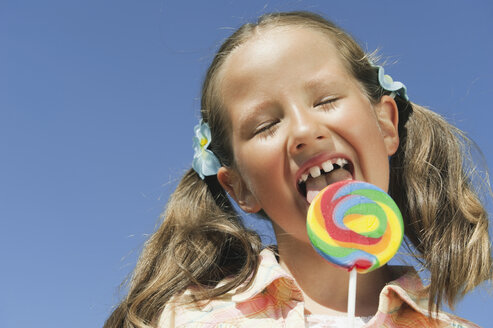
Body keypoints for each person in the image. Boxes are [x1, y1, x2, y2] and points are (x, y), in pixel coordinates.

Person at [104, 11, 492, 327]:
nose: (305, 131)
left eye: (325, 100)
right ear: (240, 187)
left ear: (386, 125)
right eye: (265, 126)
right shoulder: (185, 321)